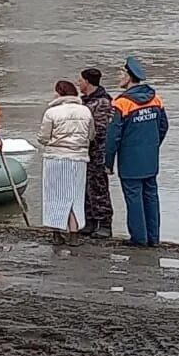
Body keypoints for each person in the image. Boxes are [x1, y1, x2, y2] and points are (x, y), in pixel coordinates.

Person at [104, 56, 168, 248]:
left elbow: (112, 136)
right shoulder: (155, 99)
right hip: (150, 159)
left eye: (121, 73)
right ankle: (154, 237)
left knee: (133, 198)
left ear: (128, 76)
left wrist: (108, 162)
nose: (119, 76)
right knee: (151, 196)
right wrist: (153, 145)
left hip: (130, 160)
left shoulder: (121, 103)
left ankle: (139, 238)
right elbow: (164, 126)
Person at [38, 80, 94, 246]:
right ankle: (74, 233)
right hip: (79, 159)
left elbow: (43, 137)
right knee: (75, 195)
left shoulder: (52, 112)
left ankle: (57, 233)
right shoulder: (86, 111)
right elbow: (91, 135)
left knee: (55, 195)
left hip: (56, 158)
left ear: (59, 93)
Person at [76, 67, 114, 239]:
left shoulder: (102, 103)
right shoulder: (86, 101)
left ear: (87, 82)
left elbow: (100, 130)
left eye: (80, 80)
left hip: (97, 153)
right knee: (86, 187)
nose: (78, 83)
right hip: (84, 152)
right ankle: (89, 221)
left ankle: (104, 223)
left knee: (99, 188)